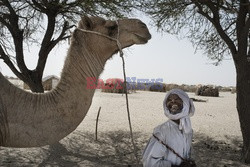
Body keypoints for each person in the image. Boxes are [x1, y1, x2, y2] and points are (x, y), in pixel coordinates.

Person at [142, 89, 196, 167]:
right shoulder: (161, 131)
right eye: (169, 99)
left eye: (177, 99)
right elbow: (149, 163)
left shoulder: (188, 130)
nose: (173, 101)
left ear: (185, 102)